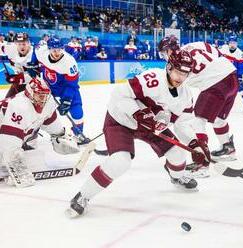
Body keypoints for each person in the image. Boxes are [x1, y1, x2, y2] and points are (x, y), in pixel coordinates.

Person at [66, 50, 211, 217]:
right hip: (121, 120)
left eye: (185, 74)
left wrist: (194, 144)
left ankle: (177, 177)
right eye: (178, 72)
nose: (180, 77)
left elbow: (183, 123)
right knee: (120, 161)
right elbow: (119, 95)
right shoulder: (153, 79)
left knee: (177, 153)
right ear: (169, 67)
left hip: (151, 126)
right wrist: (137, 112)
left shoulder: (186, 96)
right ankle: (83, 195)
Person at [159, 36, 238, 177]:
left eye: (165, 53)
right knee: (219, 119)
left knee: (198, 122)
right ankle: (228, 148)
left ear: (170, 50)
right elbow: (218, 54)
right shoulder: (195, 44)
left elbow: (172, 90)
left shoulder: (176, 63)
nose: (165, 56)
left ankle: (202, 164)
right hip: (232, 77)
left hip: (214, 85)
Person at [0, 78, 79, 187]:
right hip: (4, 135)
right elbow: (9, 141)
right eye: (40, 95)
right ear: (30, 93)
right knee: (10, 158)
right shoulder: (19, 105)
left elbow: (51, 123)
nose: (43, 99)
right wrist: (17, 167)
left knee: (36, 158)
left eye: (45, 95)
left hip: (11, 136)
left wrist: (60, 137)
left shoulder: (48, 102)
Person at [36, 37, 88, 144]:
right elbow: (34, 52)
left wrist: (67, 100)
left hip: (65, 87)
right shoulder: (41, 52)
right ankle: (32, 132)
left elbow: (72, 84)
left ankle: (78, 133)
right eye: (54, 50)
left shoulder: (70, 62)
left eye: (59, 49)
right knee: (38, 110)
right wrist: (33, 66)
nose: (57, 53)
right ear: (49, 49)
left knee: (77, 111)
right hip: (48, 87)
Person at [219, 35, 243, 112]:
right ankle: (221, 105)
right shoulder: (223, 49)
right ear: (228, 43)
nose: (232, 44)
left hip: (234, 75)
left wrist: (239, 77)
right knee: (222, 89)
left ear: (236, 44)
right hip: (223, 74)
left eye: (234, 43)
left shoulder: (240, 54)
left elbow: (242, 67)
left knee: (241, 88)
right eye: (231, 42)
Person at [2, 32, 39, 98]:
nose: (22, 46)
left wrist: (18, 78)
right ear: (15, 44)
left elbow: (36, 75)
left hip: (33, 86)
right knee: (6, 105)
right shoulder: (10, 49)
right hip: (18, 84)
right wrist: (15, 78)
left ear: (28, 43)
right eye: (19, 44)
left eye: (24, 43)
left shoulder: (35, 54)